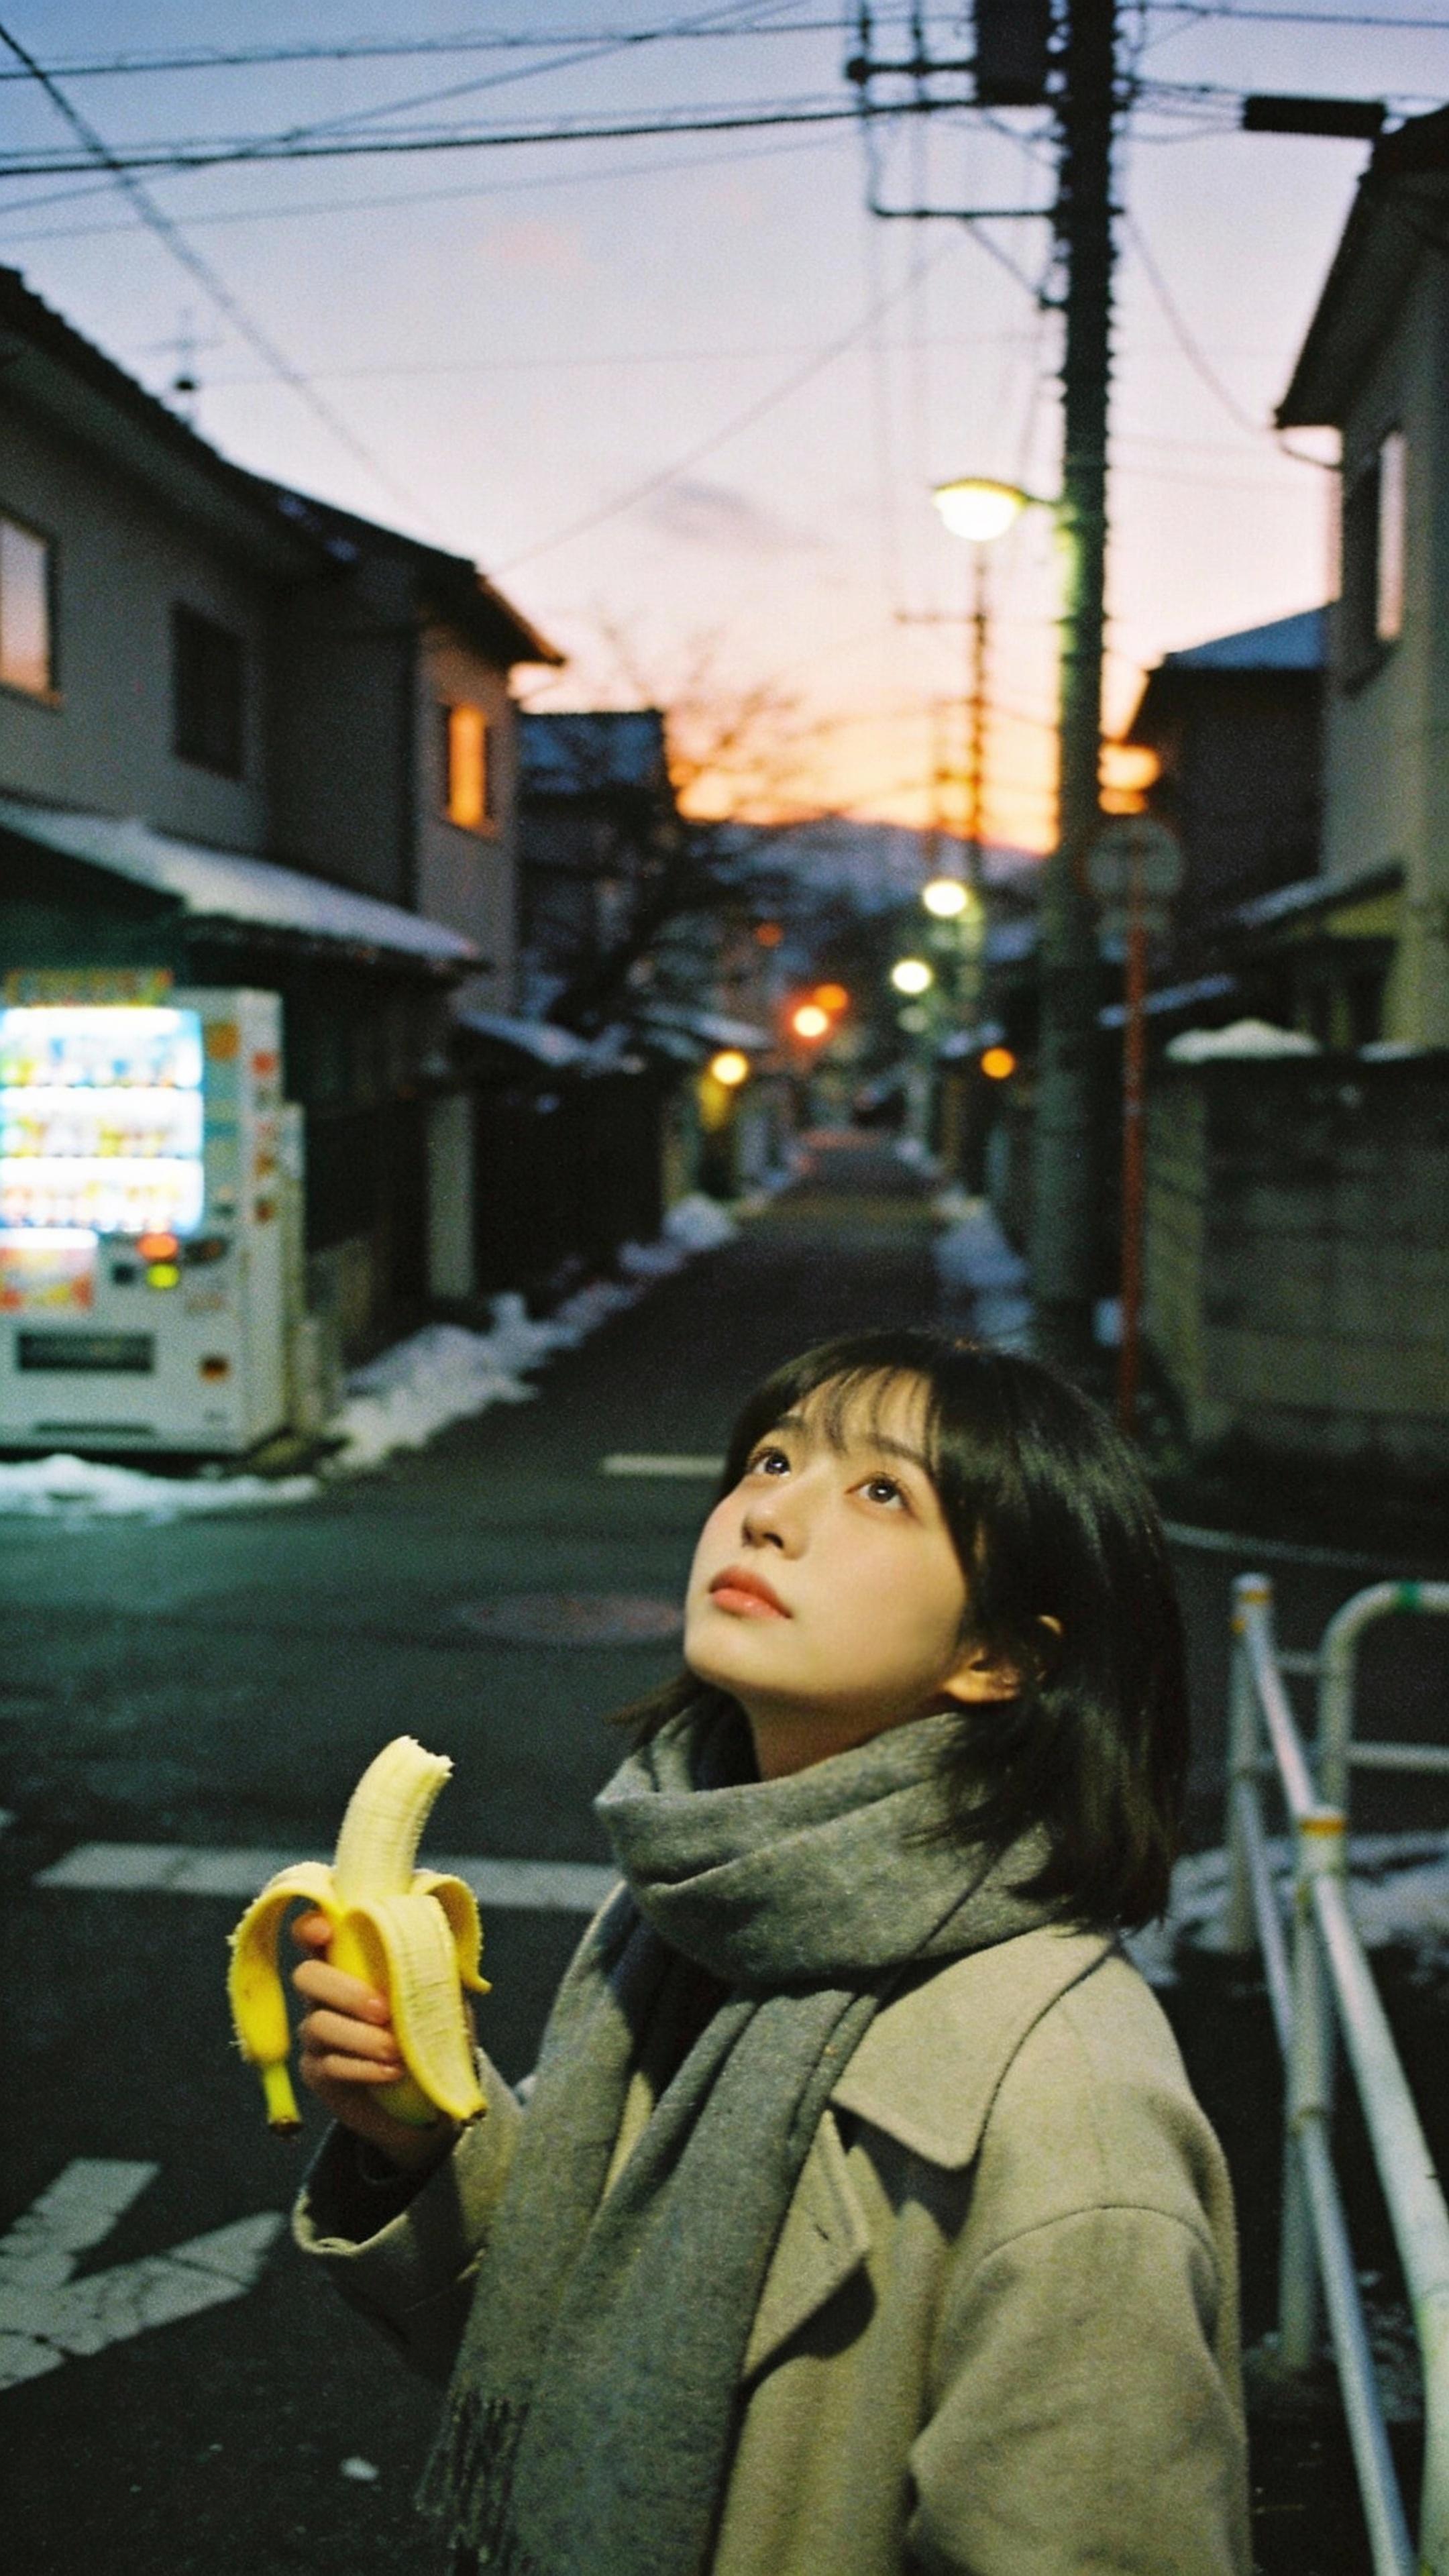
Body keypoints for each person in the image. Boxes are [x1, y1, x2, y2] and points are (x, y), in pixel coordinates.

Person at [290, 1328, 1250, 2576]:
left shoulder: (1071, 2111)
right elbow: (589, 2342)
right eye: (774, 1460)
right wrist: (422, 2138)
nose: (770, 1515)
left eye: (883, 1491)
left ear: (1002, 1656)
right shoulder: (694, 1905)